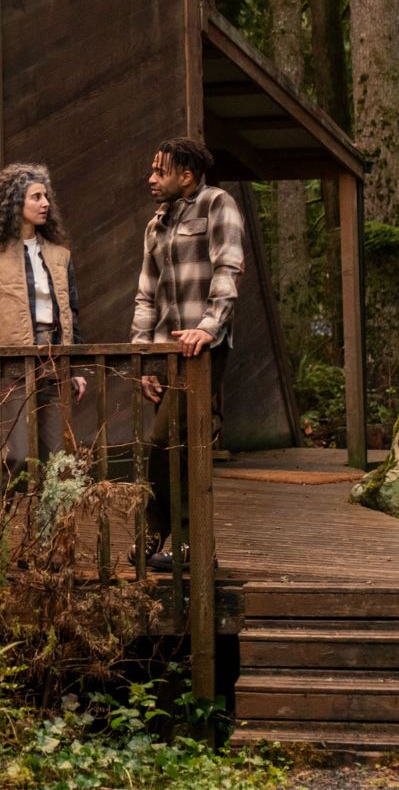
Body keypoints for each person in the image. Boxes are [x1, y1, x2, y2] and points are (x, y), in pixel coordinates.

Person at [130, 137, 243, 571]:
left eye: (161, 172)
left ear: (186, 176)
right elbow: (145, 295)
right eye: (152, 171)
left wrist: (207, 329)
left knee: (171, 441)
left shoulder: (217, 204)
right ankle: (167, 539)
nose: (152, 179)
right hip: (165, 352)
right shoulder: (156, 223)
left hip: (202, 350)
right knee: (168, 444)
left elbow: (228, 271)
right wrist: (142, 357)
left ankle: (186, 542)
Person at [0, 163, 86, 465]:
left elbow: (72, 314)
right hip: (13, 368)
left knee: (59, 459)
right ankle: (14, 512)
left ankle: (51, 514)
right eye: (36, 197)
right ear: (14, 202)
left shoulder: (60, 255)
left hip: (54, 363)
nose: (45, 203)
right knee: (18, 457)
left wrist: (75, 367)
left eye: (46, 196)